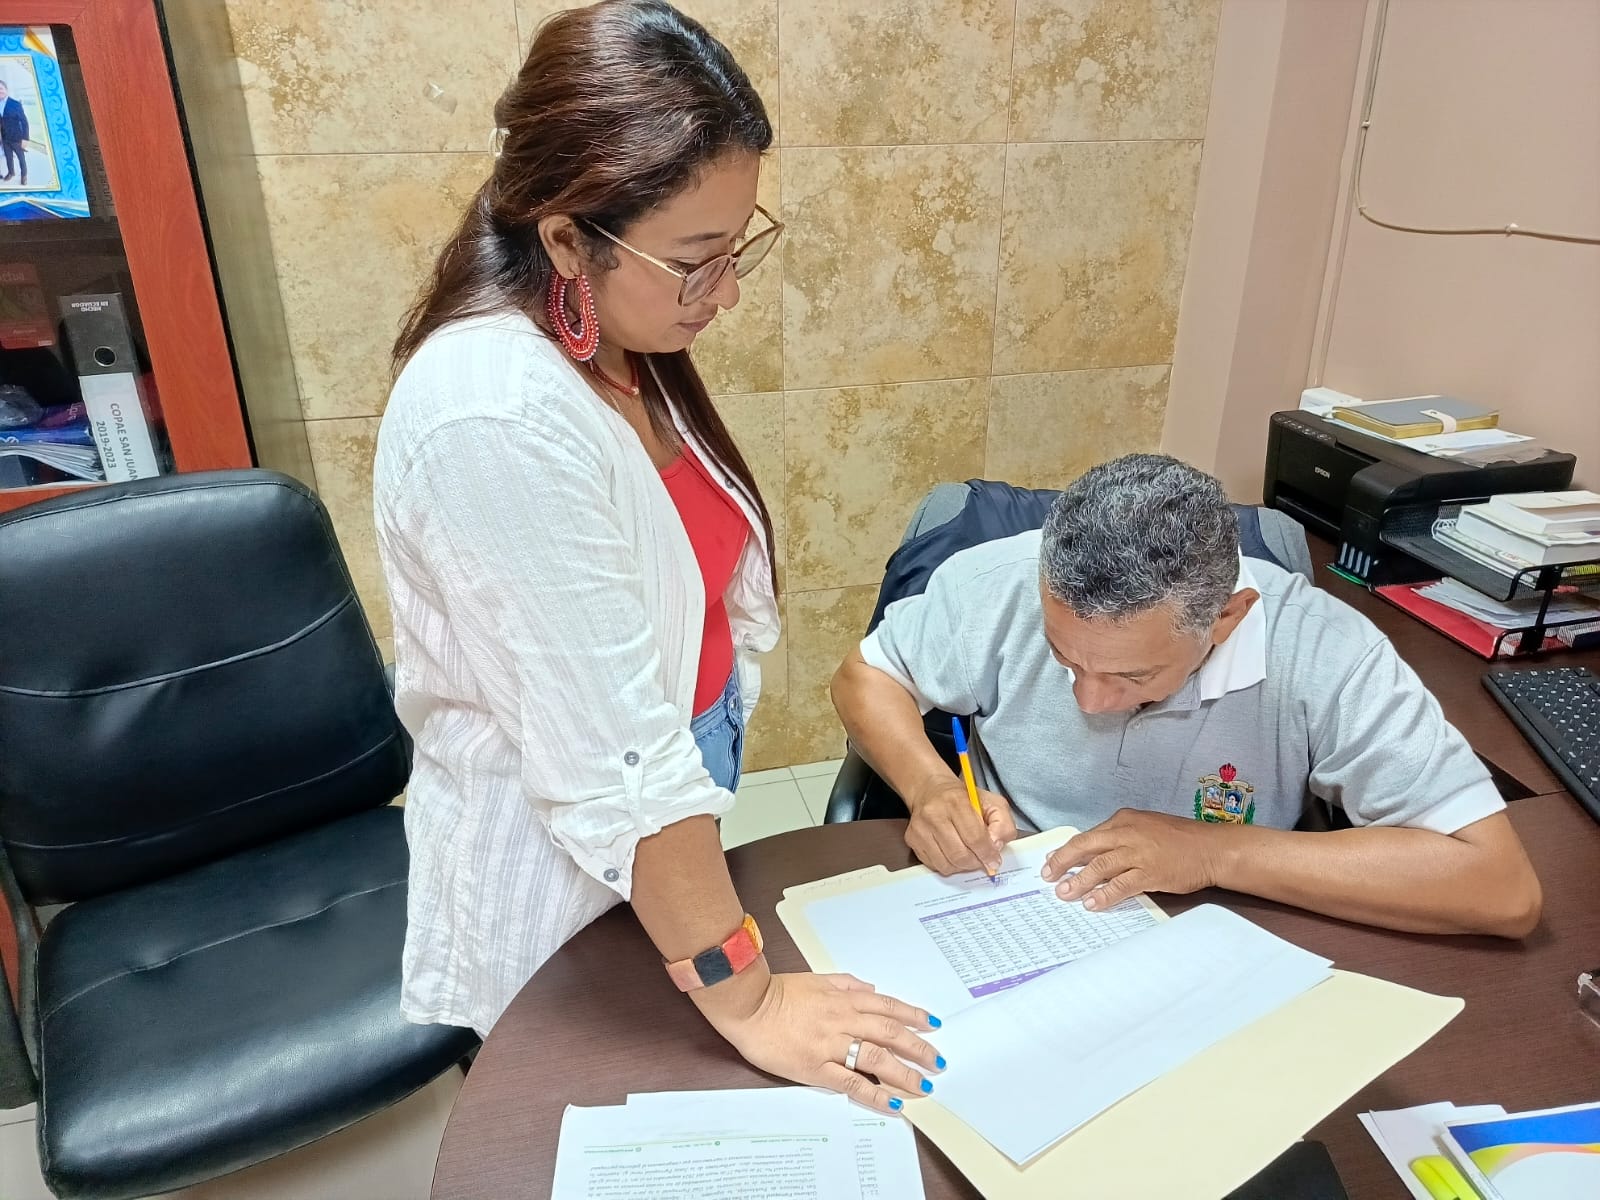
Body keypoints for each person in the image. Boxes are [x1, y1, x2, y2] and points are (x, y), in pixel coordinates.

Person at [375, 0, 940, 1114]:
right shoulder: (495, 414)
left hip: (669, 825)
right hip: (574, 858)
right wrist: (750, 998)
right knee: (599, 1112)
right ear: (564, 238)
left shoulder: (613, 339)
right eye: (694, 262)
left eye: (736, 250)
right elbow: (619, 765)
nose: (724, 293)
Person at [832, 453, 1544, 937]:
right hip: (1017, 896)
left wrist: (1214, 854)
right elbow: (866, 676)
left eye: (1132, 677)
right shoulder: (998, 582)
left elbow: (1501, 885)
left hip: (1226, 924)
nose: (1089, 701)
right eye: (1064, 658)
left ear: (1226, 620)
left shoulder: (1326, 650)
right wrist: (930, 787)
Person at [0, 81, 28, 186]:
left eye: (1, 88)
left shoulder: (16, 104)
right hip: (5, 138)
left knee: (21, 158)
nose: (0, 91)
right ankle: (11, 172)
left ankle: (24, 176)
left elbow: (24, 122)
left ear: (6, 90)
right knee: (8, 157)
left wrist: (25, 138)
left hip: (17, 138)